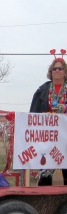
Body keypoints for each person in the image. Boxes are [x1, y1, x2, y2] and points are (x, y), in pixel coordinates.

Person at [30, 54, 67, 186]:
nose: (57, 71)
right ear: (50, 72)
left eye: (60, 68)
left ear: (65, 72)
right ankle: (44, 205)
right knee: (45, 174)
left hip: (66, 137)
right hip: (48, 137)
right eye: (54, 69)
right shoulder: (42, 90)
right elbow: (33, 114)